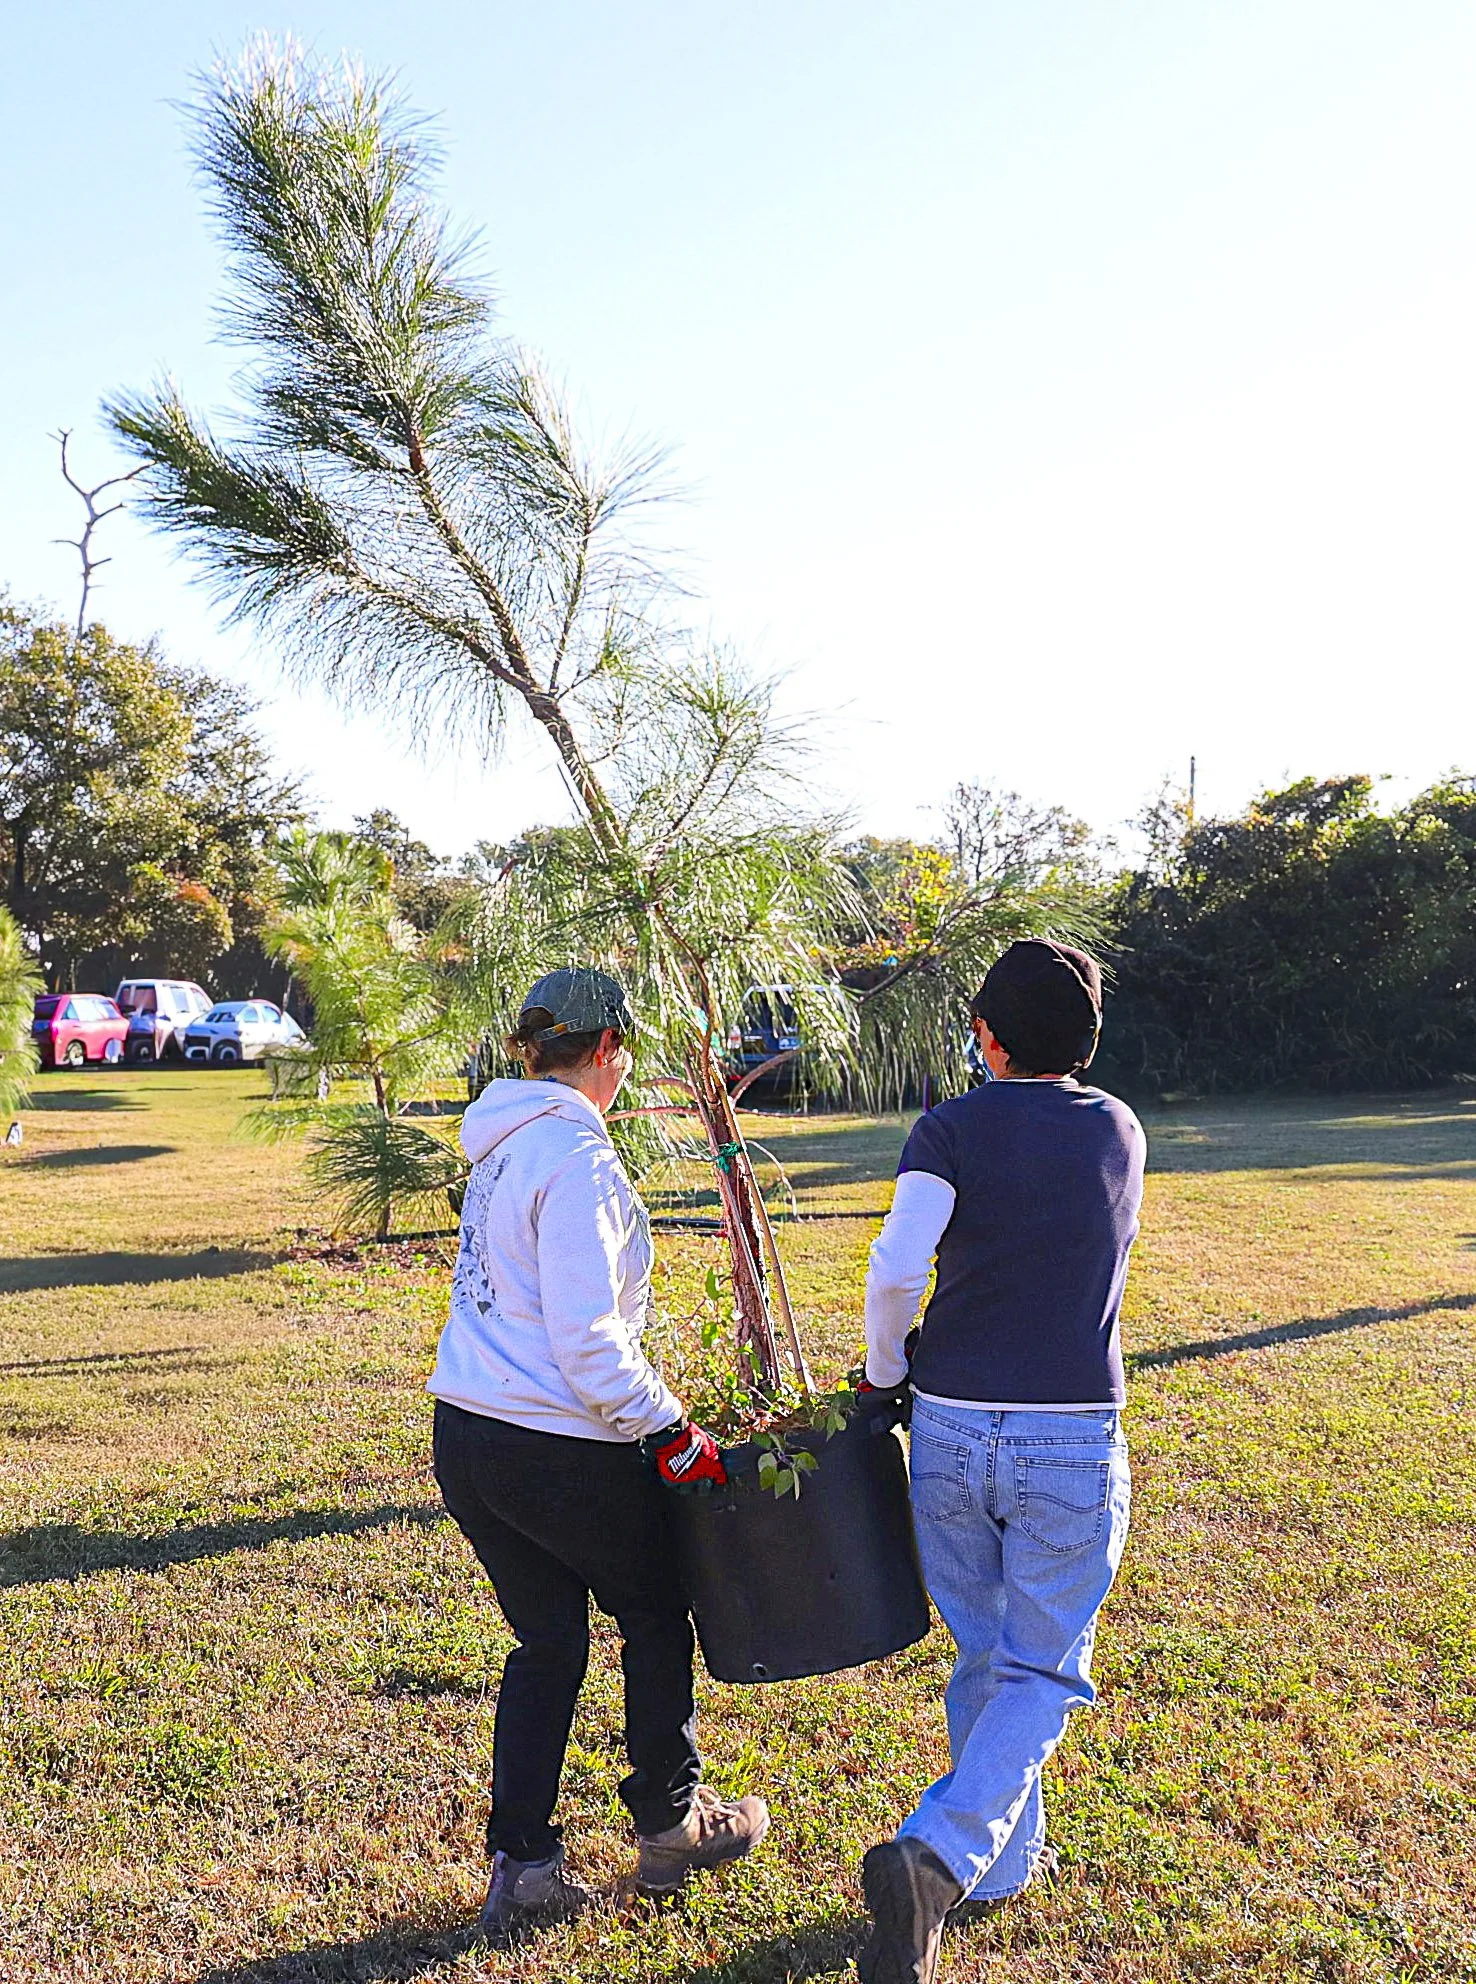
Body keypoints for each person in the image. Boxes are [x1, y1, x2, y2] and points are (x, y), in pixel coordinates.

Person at [427, 967, 769, 1936]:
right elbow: (587, 1340)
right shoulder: (577, 1160)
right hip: (553, 1443)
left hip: (470, 1436)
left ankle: (524, 1863)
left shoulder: (500, 1149)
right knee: (658, 1608)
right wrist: (670, 1428)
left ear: (531, 1051)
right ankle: (673, 1823)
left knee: (548, 1642)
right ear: (610, 1049)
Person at [856, 939, 1145, 1984]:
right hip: (1068, 1429)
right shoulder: (1120, 1127)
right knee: (1042, 1665)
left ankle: (991, 1867)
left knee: (987, 1650)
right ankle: (939, 1854)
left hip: (948, 1424)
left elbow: (897, 1266)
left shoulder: (950, 1127)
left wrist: (886, 1368)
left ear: (985, 1035)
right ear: (1088, 1037)